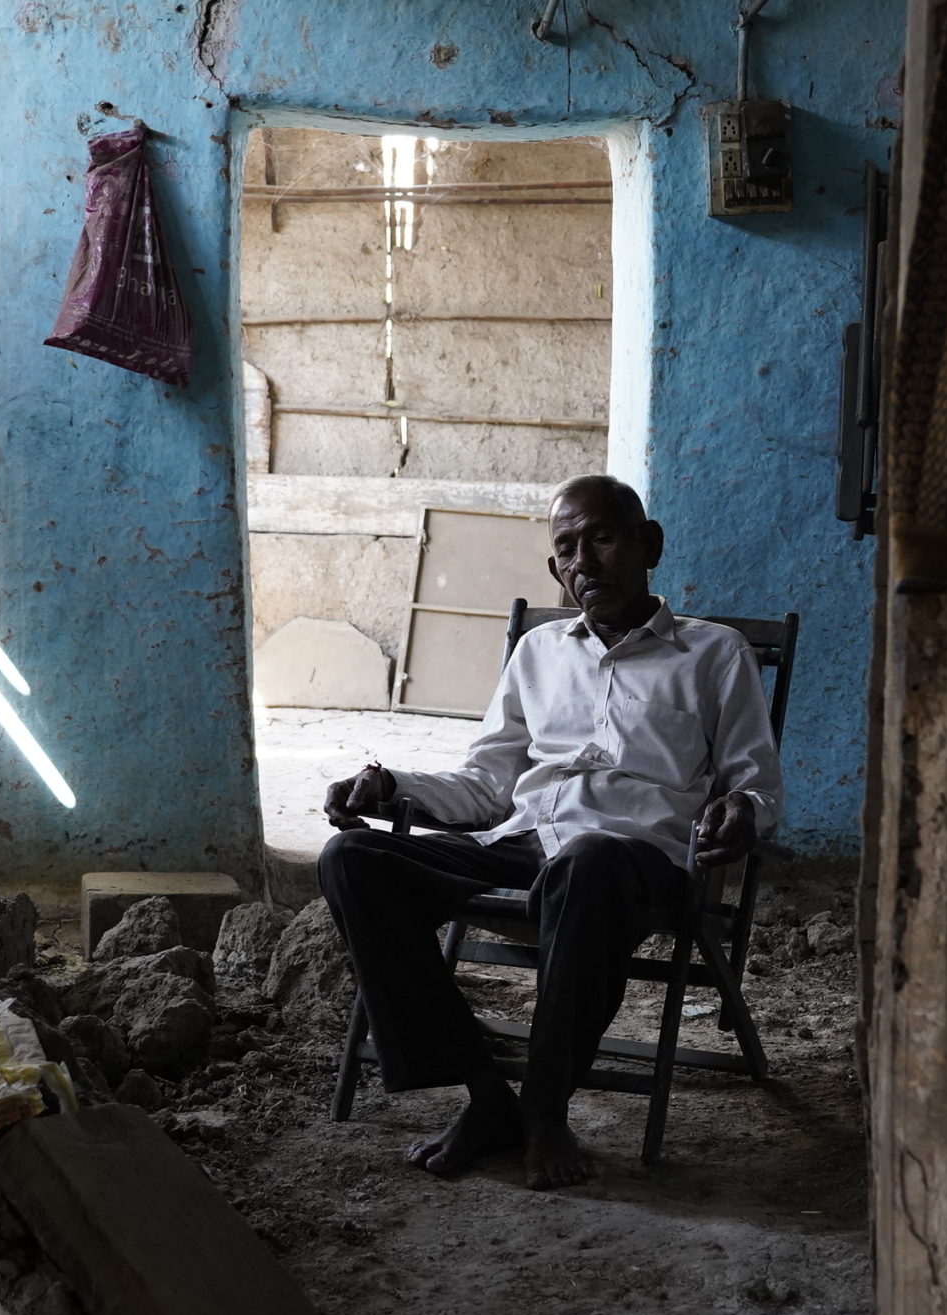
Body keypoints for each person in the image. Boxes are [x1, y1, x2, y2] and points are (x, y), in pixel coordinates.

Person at [317, 475, 781, 1190]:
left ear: (647, 544)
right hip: (526, 844)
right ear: (553, 570)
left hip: (636, 858)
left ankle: (543, 1109)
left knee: (588, 861)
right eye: (566, 548)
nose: (584, 561)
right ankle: (485, 1093)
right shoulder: (537, 653)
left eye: (601, 537)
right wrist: (392, 787)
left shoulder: (713, 654)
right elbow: (486, 787)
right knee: (351, 856)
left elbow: (757, 783)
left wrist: (743, 810)